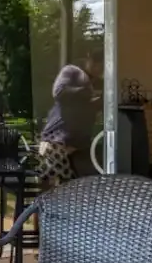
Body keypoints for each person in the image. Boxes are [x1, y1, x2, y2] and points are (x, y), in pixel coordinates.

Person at [37, 49, 103, 188]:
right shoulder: (72, 72)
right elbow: (58, 92)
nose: (99, 68)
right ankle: (38, 210)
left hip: (79, 144)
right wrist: (86, 94)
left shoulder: (101, 83)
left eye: (102, 66)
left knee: (75, 190)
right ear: (88, 60)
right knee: (49, 188)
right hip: (57, 139)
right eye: (97, 64)